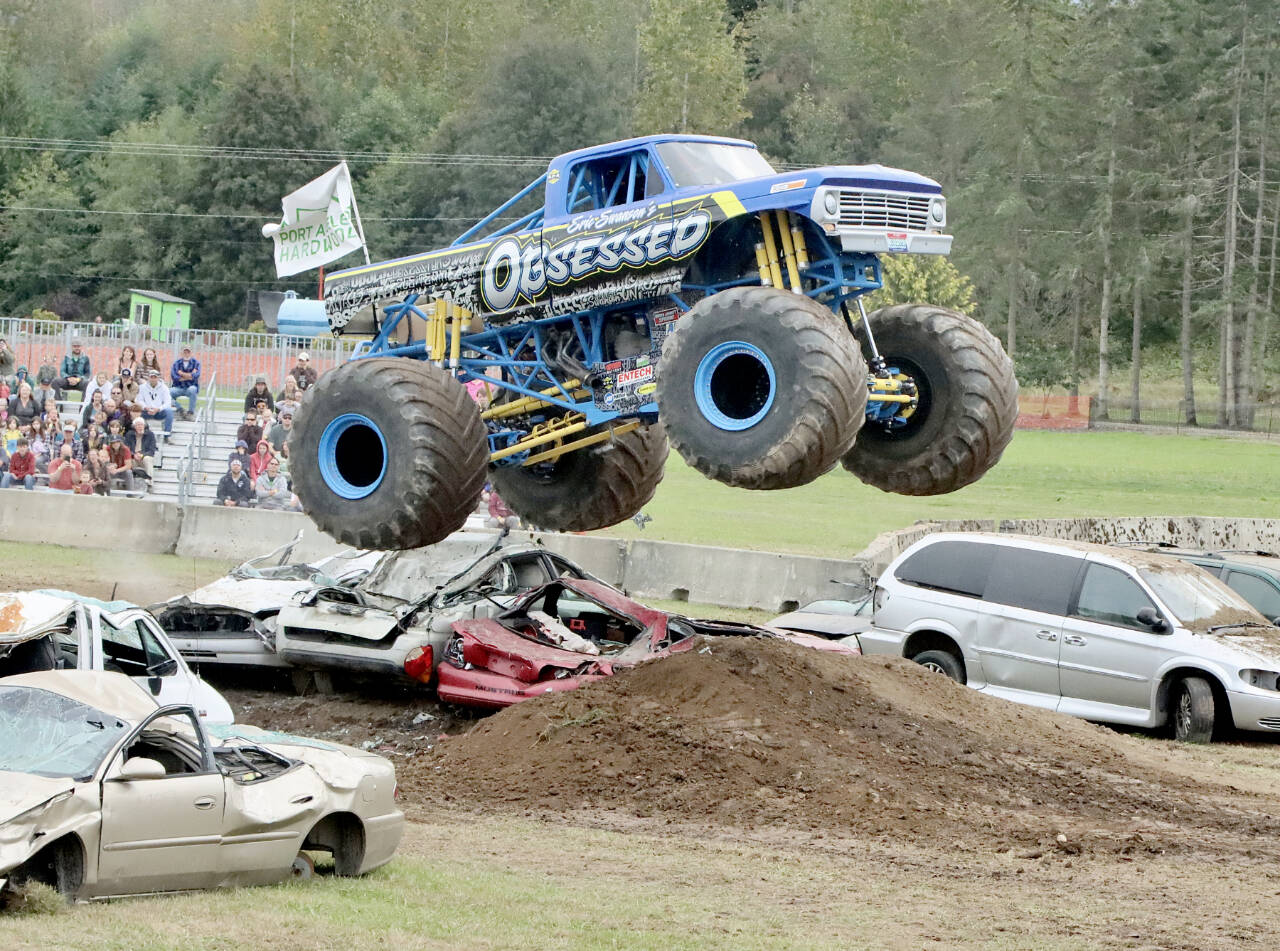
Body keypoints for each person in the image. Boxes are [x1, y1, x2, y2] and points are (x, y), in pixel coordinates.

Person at [136, 368, 175, 438]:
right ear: (148, 378)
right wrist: (145, 407)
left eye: (155, 377)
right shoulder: (142, 387)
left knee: (169, 411)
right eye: (151, 377)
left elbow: (168, 402)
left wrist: (159, 409)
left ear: (158, 378)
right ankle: (140, 434)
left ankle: (167, 435)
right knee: (136, 412)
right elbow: (139, 400)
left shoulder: (164, 388)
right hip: (146, 411)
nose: (153, 379)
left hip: (159, 412)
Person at [170, 345, 201, 419]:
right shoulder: (176, 363)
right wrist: (190, 376)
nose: (186, 354)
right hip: (178, 387)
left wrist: (181, 374)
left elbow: (196, 376)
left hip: (190, 387)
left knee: (193, 389)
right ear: (181, 353)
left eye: (188, 352)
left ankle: (190, 413)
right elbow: (174, 377)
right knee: (167, 392)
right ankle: (180, 409)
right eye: (185, 352)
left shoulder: (196, 363)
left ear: (191, 353)